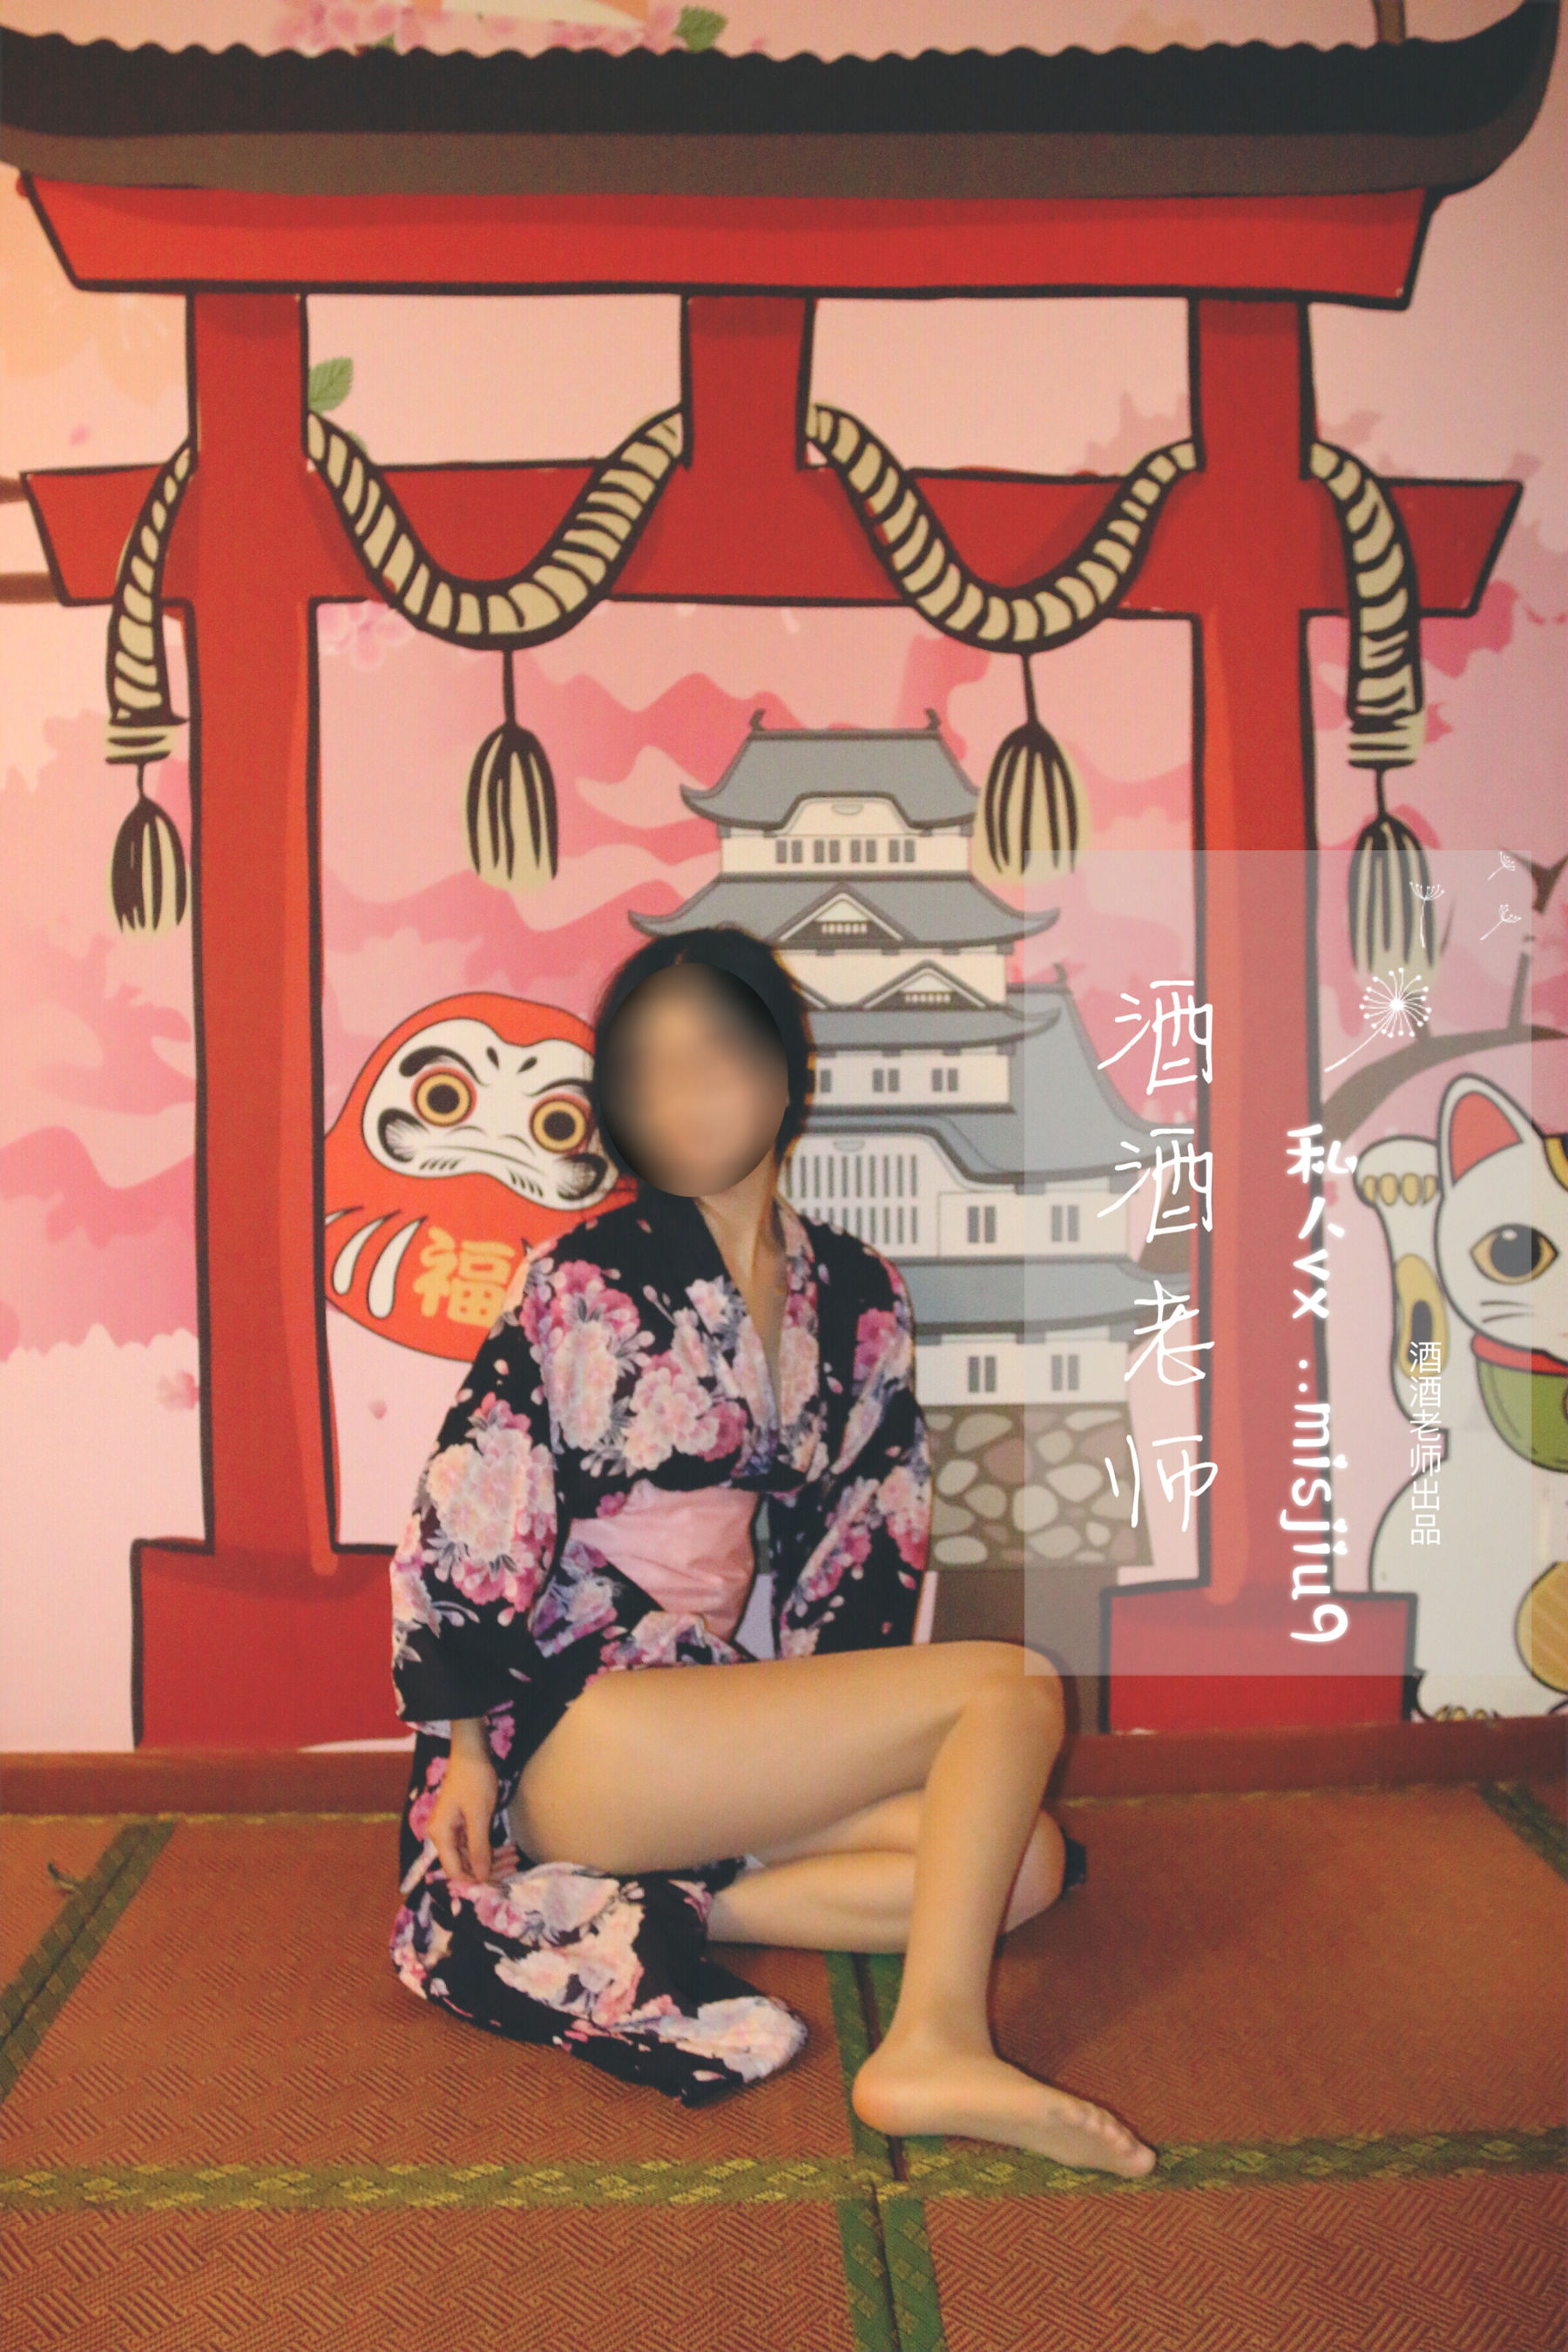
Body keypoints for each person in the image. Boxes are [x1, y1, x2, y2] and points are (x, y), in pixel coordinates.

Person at [387, 923, 1155, 2174]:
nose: (683, 1093)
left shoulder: (856, 1294)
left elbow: (862, 1533)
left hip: (701, 1727)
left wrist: (837, 1718)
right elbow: (474, 1505)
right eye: (647, 1071)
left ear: (787, 1069)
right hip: (577, 1724)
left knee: (1020, 1864)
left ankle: (650, 1902)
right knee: (1013, 1689)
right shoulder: (581, 1279)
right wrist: (466, 1751)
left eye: (716, 1055)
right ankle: (934, 2047)